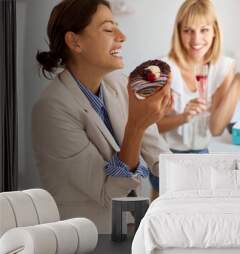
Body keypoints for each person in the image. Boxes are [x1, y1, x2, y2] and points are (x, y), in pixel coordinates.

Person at [32, 0, 171, 233]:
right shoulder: (51, 110)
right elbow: (108, 192)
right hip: (88, 239)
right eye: (108, 29)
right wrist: (136, 126)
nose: (122, 36)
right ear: (75, 42)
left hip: (133, 230)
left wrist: (204, 188)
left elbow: (160, 159)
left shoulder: (118, 84)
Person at [157, 0, 240, 154]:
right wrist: (183, 117)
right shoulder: (163, 69)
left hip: (202, 152)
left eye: (204, 30)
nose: (196, 39)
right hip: (164, 154)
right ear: (179, 32)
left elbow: (216, 129)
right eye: (188, 30)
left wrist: (238, 81)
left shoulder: (224, 68)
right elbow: (152, 126)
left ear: (214, 31)